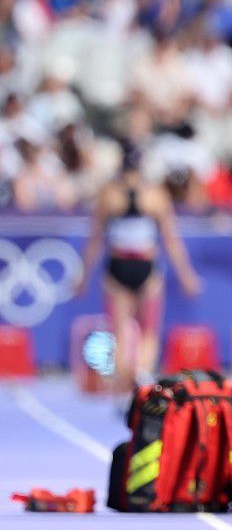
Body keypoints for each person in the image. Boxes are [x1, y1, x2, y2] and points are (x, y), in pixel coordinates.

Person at [76, 142, 201, 394]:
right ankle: (141, 383)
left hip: (118, 266)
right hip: (145, 265)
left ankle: (123, 388)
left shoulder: (108, 194)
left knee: (120, 332)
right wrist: (187, 276)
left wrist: (83, 278)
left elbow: (94, 241)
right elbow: (171, 241)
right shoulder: (155, 195)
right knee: (149, 332)